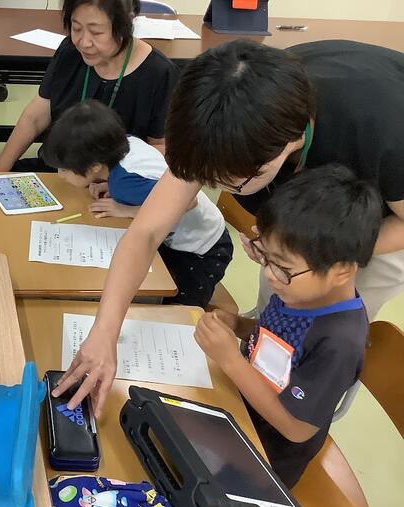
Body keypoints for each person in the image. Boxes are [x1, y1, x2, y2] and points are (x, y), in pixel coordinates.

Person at [54, 39, 404, 415]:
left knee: (322, 338)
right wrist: (104, 332)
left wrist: (302, 252)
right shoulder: (226, 114)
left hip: (387, 218)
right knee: (279, 306)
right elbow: (145, 232)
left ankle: (307, 418)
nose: (208, 186)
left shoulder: (380, 133)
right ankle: (255, 398)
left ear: (286, 147)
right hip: (307, 202)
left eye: (225, 183)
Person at [194, 166, 380, 487]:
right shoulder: (299, 290)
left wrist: (231, 360)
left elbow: (296, 429)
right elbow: (278, 341)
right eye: (265, 257)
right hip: (237, 407)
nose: (269, 274)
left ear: (341, 271)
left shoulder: (340, 343)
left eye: (282, 266)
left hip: (263, 455)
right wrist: (238, 325)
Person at [42, 100, 232, 308]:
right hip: (182, 236)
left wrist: (125, 209)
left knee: (181, 307)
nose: (60, 175)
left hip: (204, 248)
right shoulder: (125, 146)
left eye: (65, 169)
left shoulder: (124, 183)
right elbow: (149, 177)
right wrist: (110, 185)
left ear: (95, 166)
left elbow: (188, 202)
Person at [0, 0, 178, 173]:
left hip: (118, 181)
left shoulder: (159, 73)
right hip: (60, 170)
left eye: (96, 33)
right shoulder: (70, 51)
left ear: (127, 22)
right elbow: (35, 117)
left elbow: (159, 149)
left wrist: (115, 182)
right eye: (76, 28)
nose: (84, 43)